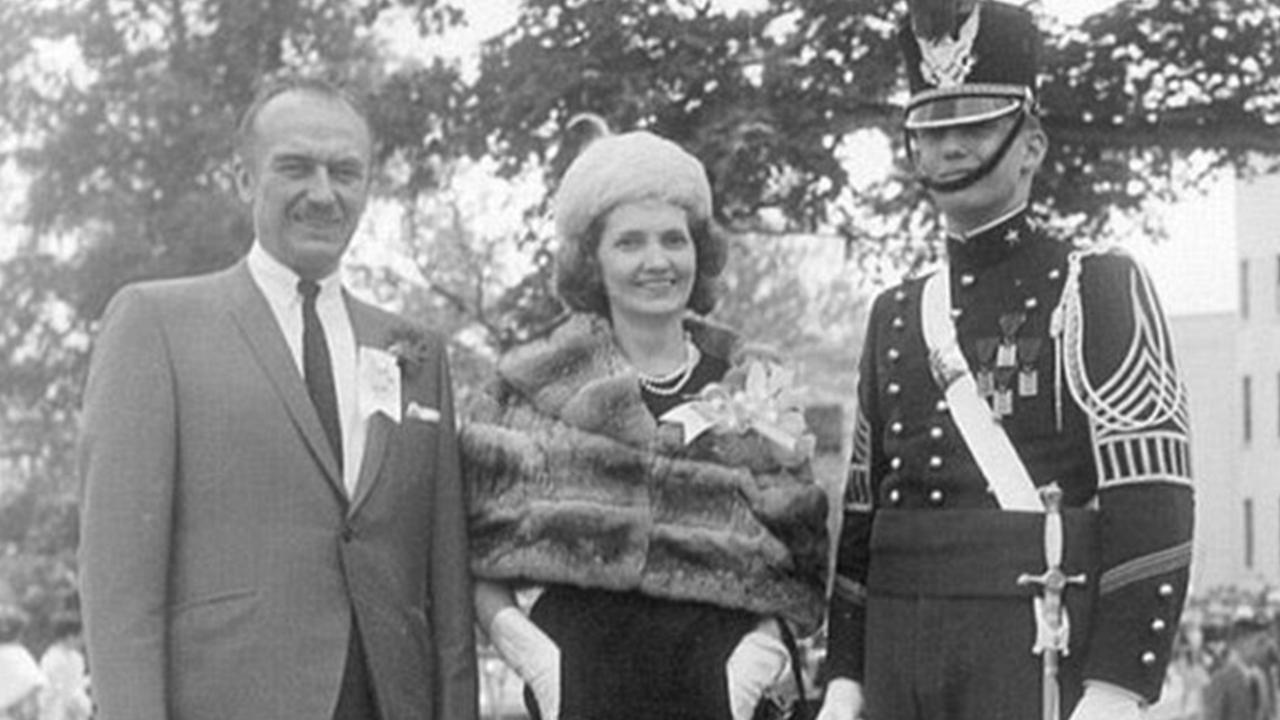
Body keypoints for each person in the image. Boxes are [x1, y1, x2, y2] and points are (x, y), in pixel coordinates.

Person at [817, 2, 1195, 719]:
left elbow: (1154, 502)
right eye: (933, 130)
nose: (952, 148)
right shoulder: (894, 312)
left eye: (977, 126)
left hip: (1032, 655)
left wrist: (1115, 688)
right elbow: (863, 516)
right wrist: (845, 676)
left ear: (1032, 146)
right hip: (897, 661)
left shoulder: (1099, 288)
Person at [77, 75, 477, 720]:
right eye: (295, 167)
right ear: (244, 180)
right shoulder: (156, 323)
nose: (323, 193)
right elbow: (118, 583)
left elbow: (447, 590)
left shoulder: (416, 350)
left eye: (346, 172)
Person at [461, 121, 830, 720]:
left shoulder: (756, 385)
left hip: (722, 689)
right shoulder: (525, 389)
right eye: (630, 242)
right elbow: (471, 558)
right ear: (592, 260)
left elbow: (803, 563)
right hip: (582, 686)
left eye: (674, 240)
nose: (656, 261)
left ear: (699, 251)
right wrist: (538, 666)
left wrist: (756, 662)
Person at [1203, 617, 1273, 720]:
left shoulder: (1261, 678)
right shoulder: (1221, 679)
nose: (1265, 648)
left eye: (1265, 643)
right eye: (1259, 642)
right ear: (1240, 643)